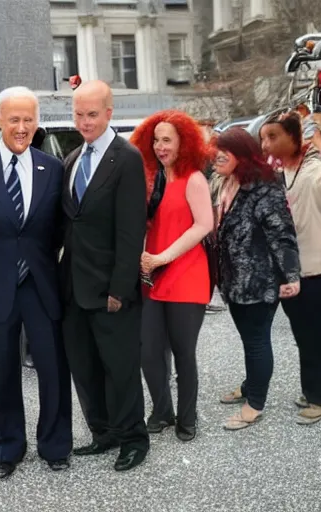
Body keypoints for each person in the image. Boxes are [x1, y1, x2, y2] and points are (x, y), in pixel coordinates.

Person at [0, 86, 72, 479]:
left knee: (53, 369)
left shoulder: (52, 167)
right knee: (2, 371)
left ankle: (55, 444)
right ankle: (8, 448)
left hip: (42, 285)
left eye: (29, 119)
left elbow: (58, 229)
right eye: (14, 119)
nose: (22, 127)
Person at [61, 80, 149, 471]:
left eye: (92, 114)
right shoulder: (73, 157)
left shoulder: (126, 158)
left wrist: (120, 287)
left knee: (121, 367)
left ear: (109, 113)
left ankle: (133, 438)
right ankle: (104, 432)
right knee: (86, 366)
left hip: (111, 289)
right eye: (78, 114)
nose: (84, 121)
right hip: (74, 289)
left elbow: (132, 231)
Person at [130, 110, 213, 442]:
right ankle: (162, 410)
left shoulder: (194, 178)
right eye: (156, 140)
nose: (160, 146)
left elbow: (204, 225)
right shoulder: (153, 180)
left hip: (185, 275)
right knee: (149, 352)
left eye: (168, 140)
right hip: (152, 276)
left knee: (183, 353)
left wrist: (161, 257)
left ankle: (187, 416)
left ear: (184, 142)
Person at [213, 128, 300, 430]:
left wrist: (291, 275)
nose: (218, 155)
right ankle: (251, 385)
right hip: (233, 281)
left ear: (243, 154)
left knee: (257, 341)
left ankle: (255, 404)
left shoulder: (265, 188)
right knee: (249, 338)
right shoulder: (226, 183)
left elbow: (283, 235)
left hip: (259, 282)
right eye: (217, 149)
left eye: (226, 150)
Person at [260, 111, 321, 425]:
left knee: (315, 336)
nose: (266, 144)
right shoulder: (285, 171)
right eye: (263, 137)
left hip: (316, 270)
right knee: (313, 335)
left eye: (273, 137)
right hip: (294, 268)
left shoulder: (313, 169)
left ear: (295, 138)